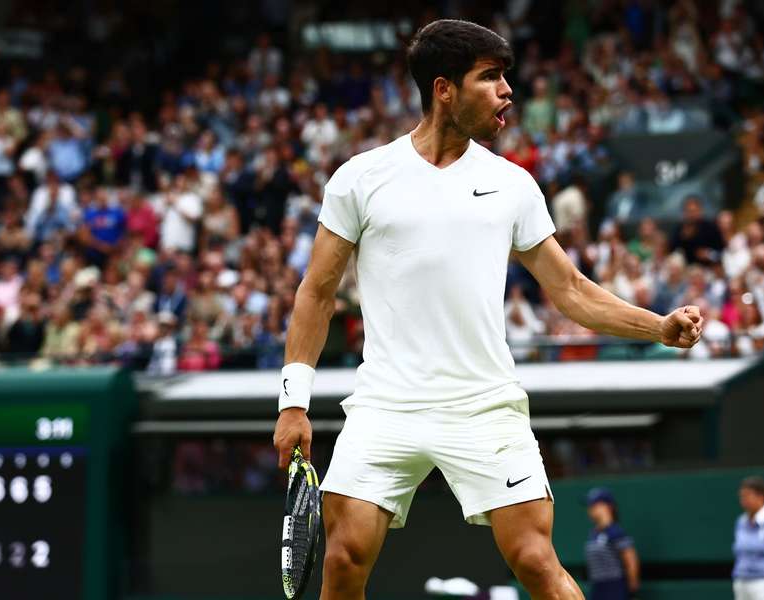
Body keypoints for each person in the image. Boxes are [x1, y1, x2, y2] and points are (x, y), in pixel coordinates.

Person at [272, 20, 703, 600]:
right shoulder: (361, 179)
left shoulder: (512, 185)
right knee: (344, 559)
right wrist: (293, 402)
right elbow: (316, 292)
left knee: (534, 558)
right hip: (385, 404)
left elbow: (571, 289)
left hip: (483, 404)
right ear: (443, 88)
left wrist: (659, 327)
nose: (508, 92)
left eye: (506, 78)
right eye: (490, 77)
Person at [583, 488, 640, 600]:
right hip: (597, 589)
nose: (590, 509)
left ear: (608, 506)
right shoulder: (594, 534)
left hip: (615, 589)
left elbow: (631, 561)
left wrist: (632, 592)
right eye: (590, 505)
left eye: (595, 504)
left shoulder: (616, 532)